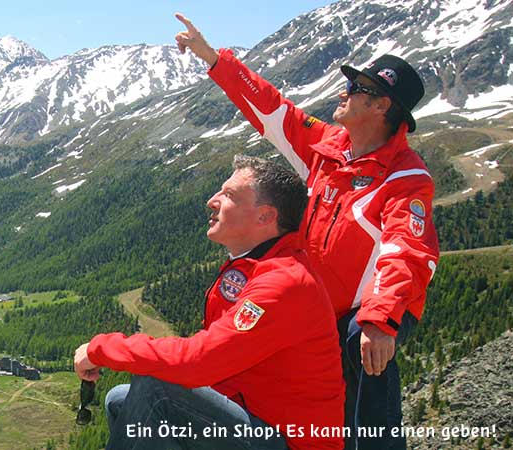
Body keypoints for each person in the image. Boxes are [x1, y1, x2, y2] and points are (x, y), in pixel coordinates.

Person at [172, 12, 440, 450]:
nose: (344, 91)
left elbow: (407, 251)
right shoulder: (327, 148)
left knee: (358, 347)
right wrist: (213, 58)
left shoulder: (406, 179)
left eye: (357, 87)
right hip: (318, 303)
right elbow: (272, 110)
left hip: (368, 308)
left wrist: (380, 319)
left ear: (381, 106)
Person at [74, 155, 344, 450]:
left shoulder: (284, 282)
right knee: (119, 400)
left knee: (156, 387)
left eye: (229, 195)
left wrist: (101, 349)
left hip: (291, 442)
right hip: (258, 419)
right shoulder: (256, 265)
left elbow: (198, 362)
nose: (212, 201)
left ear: (265, 217)